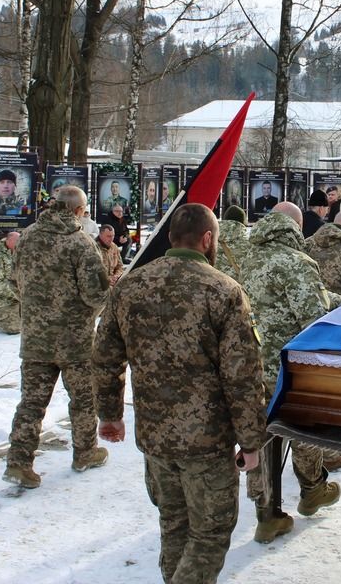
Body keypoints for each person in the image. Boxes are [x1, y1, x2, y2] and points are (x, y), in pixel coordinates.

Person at [94, 203, 267, 584]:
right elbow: (242, 376)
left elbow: (104, 357)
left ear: (172, 237)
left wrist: (109, 414)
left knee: (174, 524)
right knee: (211, 532)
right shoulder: (223, 291)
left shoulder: (131, 286)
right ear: (207, 239)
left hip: (155, 438)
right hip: (207, 441)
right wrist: (252, 441)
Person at [241, 203, 341, 543]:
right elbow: (314, 320)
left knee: (261, 435)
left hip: (251, 368)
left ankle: (266, 515)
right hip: (289, 368)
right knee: (302, 426)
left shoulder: (248, 259)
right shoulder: (298, 263)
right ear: (296, 227)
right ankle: (313, 489)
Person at [3, 186, 110, 488]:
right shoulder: (81, 244)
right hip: (75, 341)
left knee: (31, 403)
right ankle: (85, 452)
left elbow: (14, 281)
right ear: (78, 211)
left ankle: (19, 462)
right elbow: (95, 294)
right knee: (83, 399)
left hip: (35, 338)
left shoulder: (28, 238)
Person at [215, 205, 251, 282]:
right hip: (239, 290)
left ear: (224, 219)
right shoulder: (251, 244)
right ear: (243, 222)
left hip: (214, 288)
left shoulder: (210, 241)